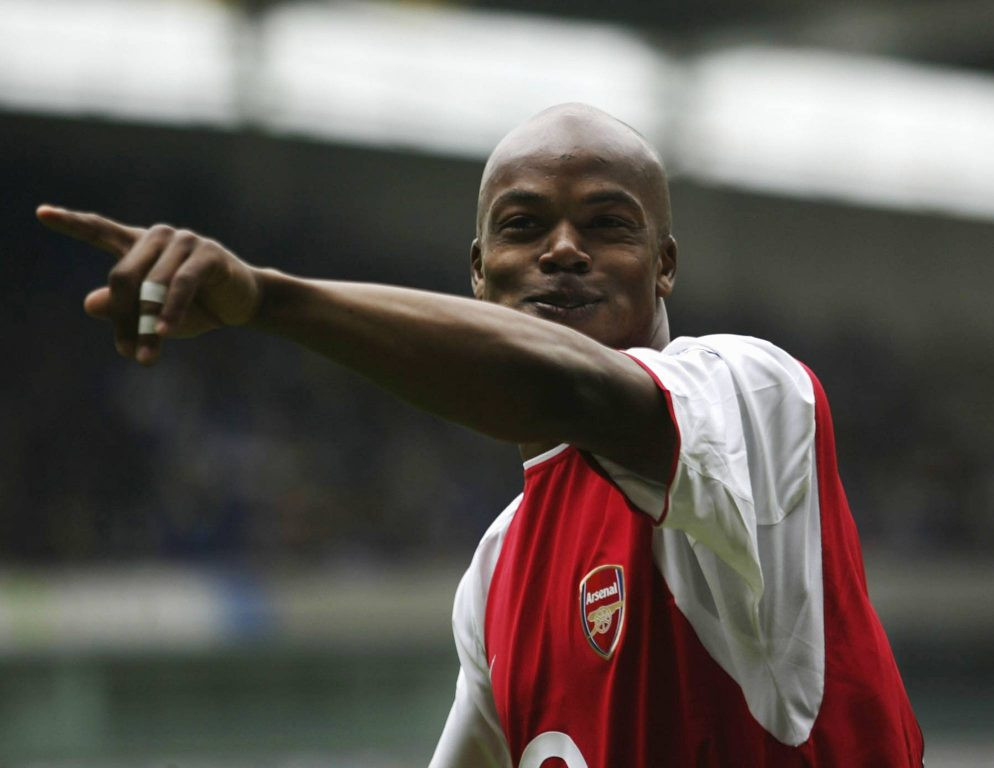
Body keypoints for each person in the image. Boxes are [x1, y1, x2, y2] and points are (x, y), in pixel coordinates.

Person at [38, 103, 923, 767]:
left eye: (607, 224)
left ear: (665, 265)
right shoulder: (501, 568)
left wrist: (269, 300)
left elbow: (560, 386)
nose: (564, 249)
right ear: (478, 273)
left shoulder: (753, 395)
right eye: (524, 226)